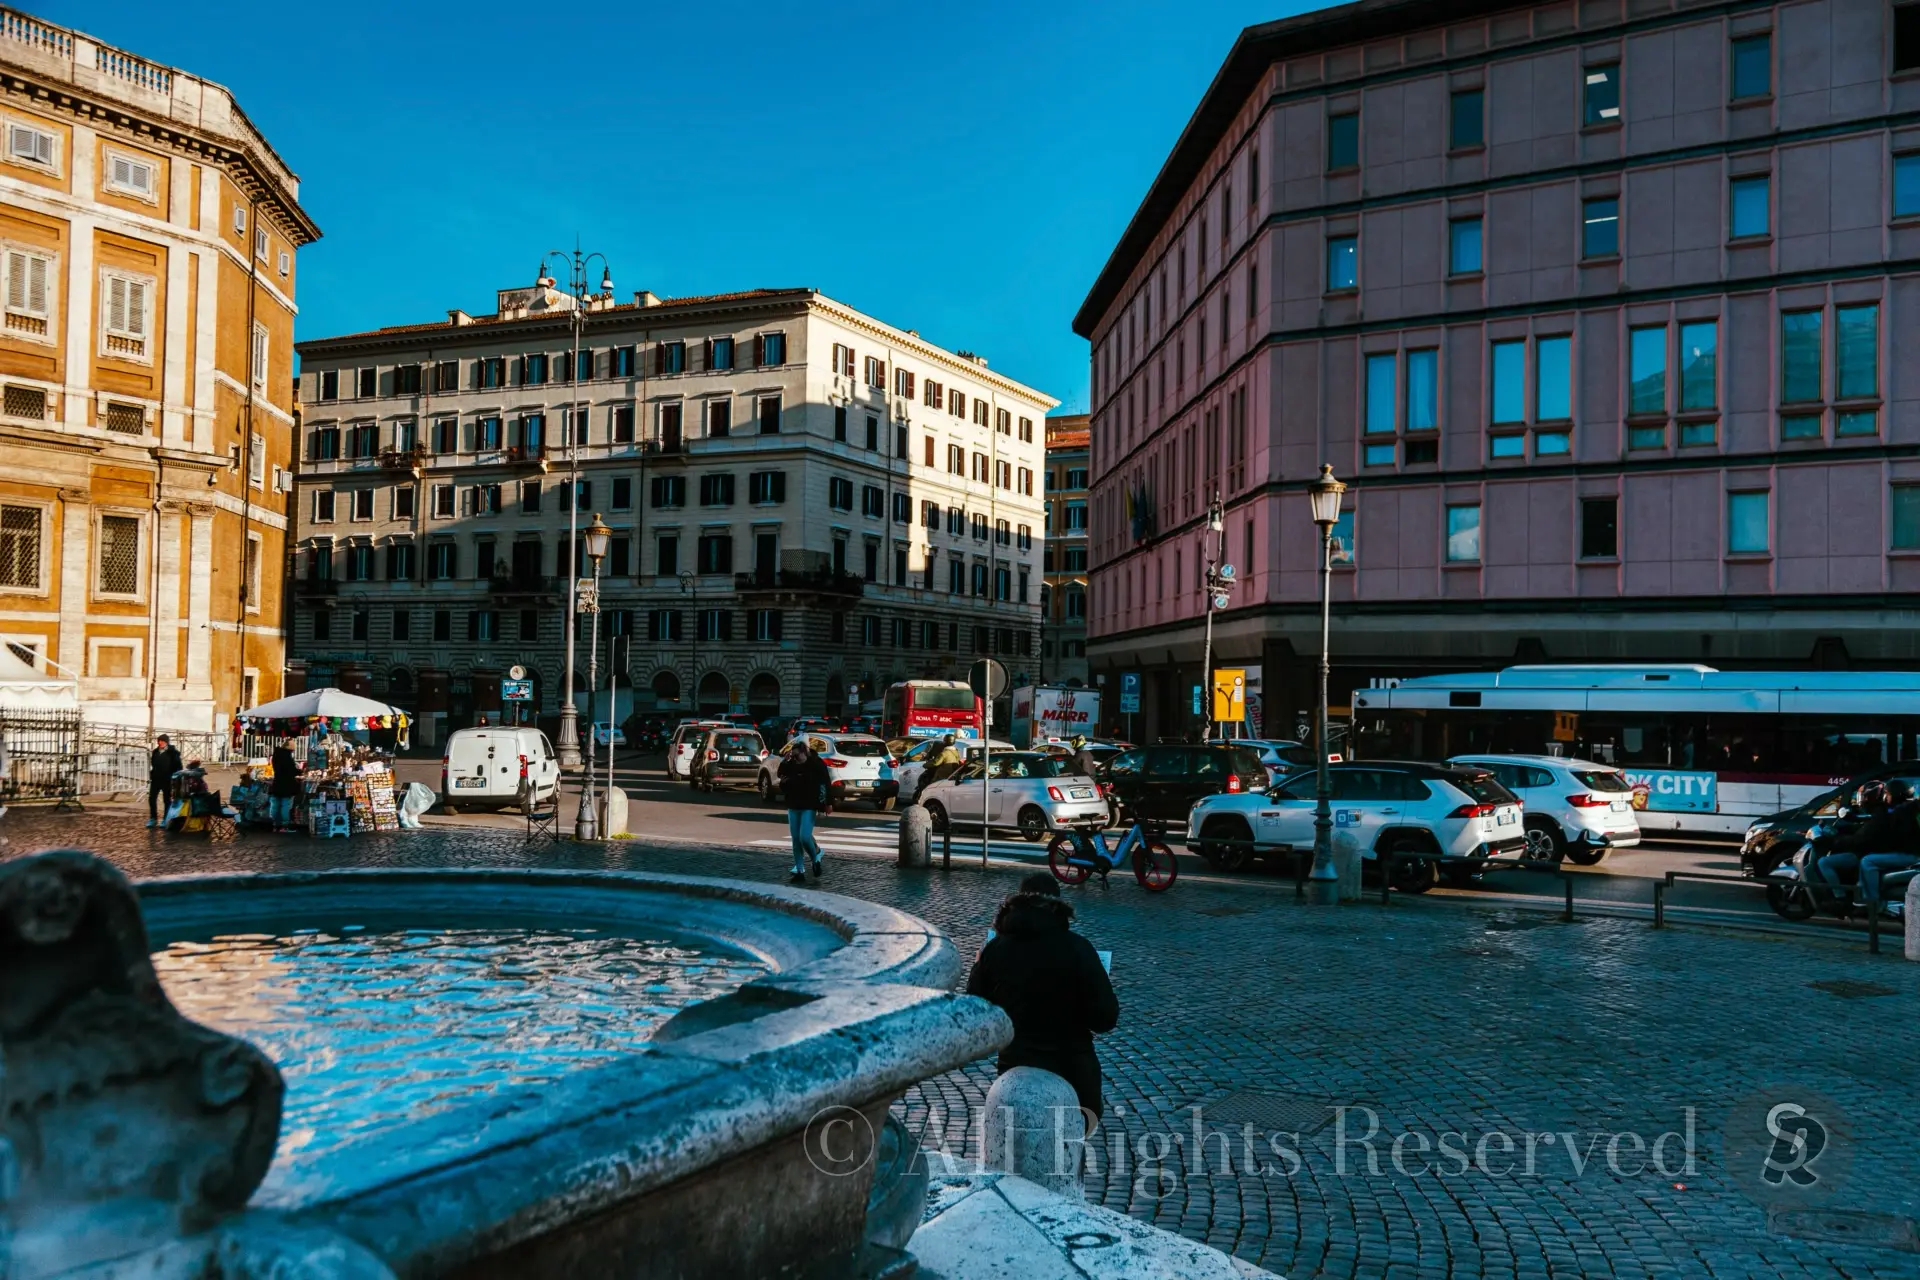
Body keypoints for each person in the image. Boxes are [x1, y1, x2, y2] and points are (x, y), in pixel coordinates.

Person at [965, 872, 1119, 1122]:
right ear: (1058, 908)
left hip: (1014, 1074)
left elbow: (975, 1015)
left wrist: (978, 967)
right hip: (1074, 1073)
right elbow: (1105, 1019)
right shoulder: (1078, 949)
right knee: (1072, 1147)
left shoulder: (995, 950)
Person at [1811, 781, 1899, 904]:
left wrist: (1836, 841)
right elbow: (1862, 829)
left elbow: (1861, 839)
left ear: (1871, 797)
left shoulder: (1879, 814)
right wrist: (1842, 829)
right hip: (1868, 850)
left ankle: (1840, 897)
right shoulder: (1877, 813)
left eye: (1863, 796)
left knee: (1824, 862)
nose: (1861, 800)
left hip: (1864, 852)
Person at [1857, 781, 1920, 912]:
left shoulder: (1901, 811)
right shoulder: (1909, 807)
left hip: (1909, 854)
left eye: (1887, 793)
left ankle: (1872, 902)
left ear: (1895, 794)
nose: (1885, 797)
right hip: (1909, 851)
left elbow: (1896, 835)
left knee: (1867, 861)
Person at [778, 739, 831, 885]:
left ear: (804, 753)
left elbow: (825, 782)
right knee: (795, 839)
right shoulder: (791, 764)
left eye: (797, 756)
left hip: (809, 804)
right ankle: (800, 871)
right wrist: (785, 761)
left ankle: (815, 859)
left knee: (804, 837)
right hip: (793, 804)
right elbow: (780, 774)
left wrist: (828, 803)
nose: (796, 760)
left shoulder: (816, 764)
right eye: (793, 756)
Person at [146, 734, 182, 828]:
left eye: (162, 741)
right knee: (152, 798)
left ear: (166, 742)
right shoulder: (155, 752)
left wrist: (175, 777)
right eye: (159, 741)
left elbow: (178, 766)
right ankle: (153, 818)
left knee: (167, 800)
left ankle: (165, 819)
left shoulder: (173, 752)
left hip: (167, 780)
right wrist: (152, 774)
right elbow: (153, 764)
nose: (160, 743)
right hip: (156, 779)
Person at [269, 744, 301, 831]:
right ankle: (285, 825)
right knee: (285, 805)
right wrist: (300, 771)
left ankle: (275, 824)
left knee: (275, 805)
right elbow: (291, 771)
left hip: (277, 783)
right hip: (287, 784)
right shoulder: (287, 758)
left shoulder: (276, 756)